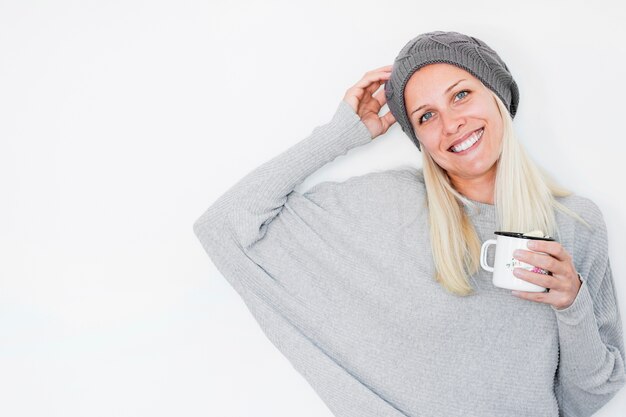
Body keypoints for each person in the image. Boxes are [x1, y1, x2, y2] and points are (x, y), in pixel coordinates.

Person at [193, 30, 625, 417]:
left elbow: (587, 396)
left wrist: (573, 303)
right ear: (418, 138)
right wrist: (340, 135)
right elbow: (225, 226)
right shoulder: (388, 205)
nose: (451, 124)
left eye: (460, 95)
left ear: (497, 95)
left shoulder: (576, 223)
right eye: (425, 116)